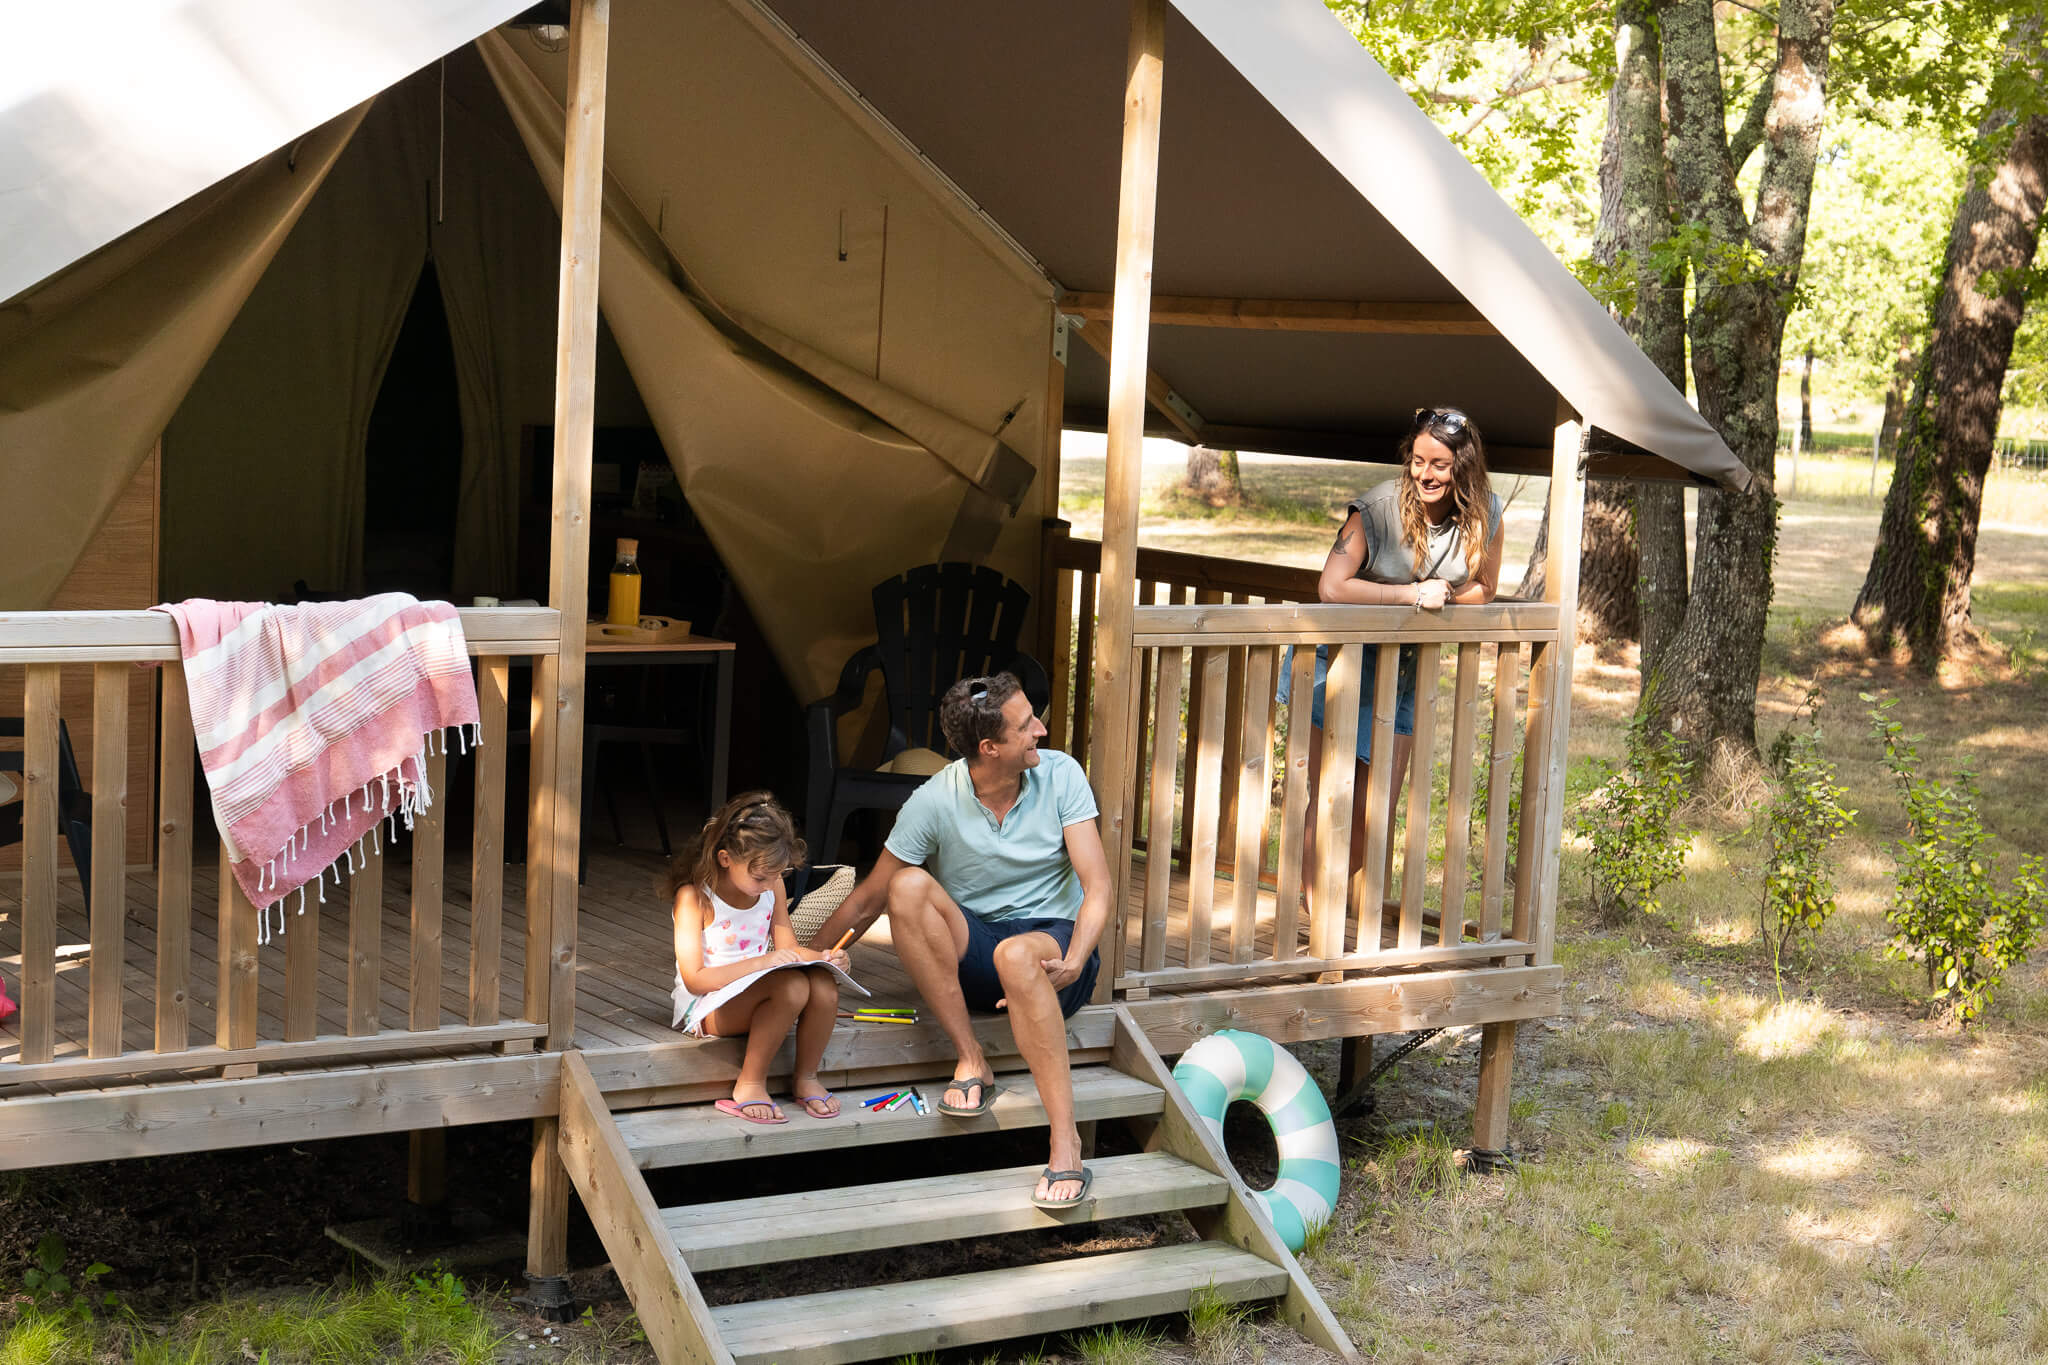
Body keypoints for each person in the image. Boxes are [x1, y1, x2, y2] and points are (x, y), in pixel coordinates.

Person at [809, 673, 1111, 1209]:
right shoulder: (934, 800)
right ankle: (972, 1059)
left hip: (1053, 951)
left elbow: (1099, 886)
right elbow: (867, 899)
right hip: (977, 957)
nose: (1041, 730)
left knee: (1015, 953)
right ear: (989, 748)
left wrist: (1077, 957)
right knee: (907, 885)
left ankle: (1065, 1142)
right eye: (1026, 726)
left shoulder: (1062, 775)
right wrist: (804, 964)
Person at [1282, 405, 1505, 903]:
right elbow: (1331, 587)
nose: (1425, 474)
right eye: (1418, 461)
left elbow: (1485, 588)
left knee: (1373, 812)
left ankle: (1328, 918)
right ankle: (1316, 926)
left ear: (1462, 468)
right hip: (1336, 667)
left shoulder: (1485, 512)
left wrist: (1444, 594)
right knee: (1329, 802)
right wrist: (1410, 595)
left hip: (1400, 677)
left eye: (1439, 465)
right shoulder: (1379, 507)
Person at [670, 792, 849, 1124]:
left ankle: (806, 1076)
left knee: (822, 982)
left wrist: (826, 957)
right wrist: (762, 963)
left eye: (777, 875)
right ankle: (750, 1082)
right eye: (760, 877)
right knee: (792, 986)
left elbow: (789, 948)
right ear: (726, 859)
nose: (769, 885)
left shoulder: (772, 888)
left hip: (759, 991)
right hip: (710, 1007)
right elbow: (695, 979)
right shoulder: (694, 897)